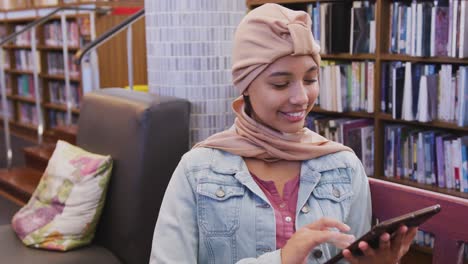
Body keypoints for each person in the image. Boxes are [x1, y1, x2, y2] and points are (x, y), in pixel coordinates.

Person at [149, 3, 417, 264]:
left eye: (311, 79)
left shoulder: (344, 166)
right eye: (280, 83)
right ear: (246, 87)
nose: (301, 98)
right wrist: (282, 259)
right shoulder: (196, 171)